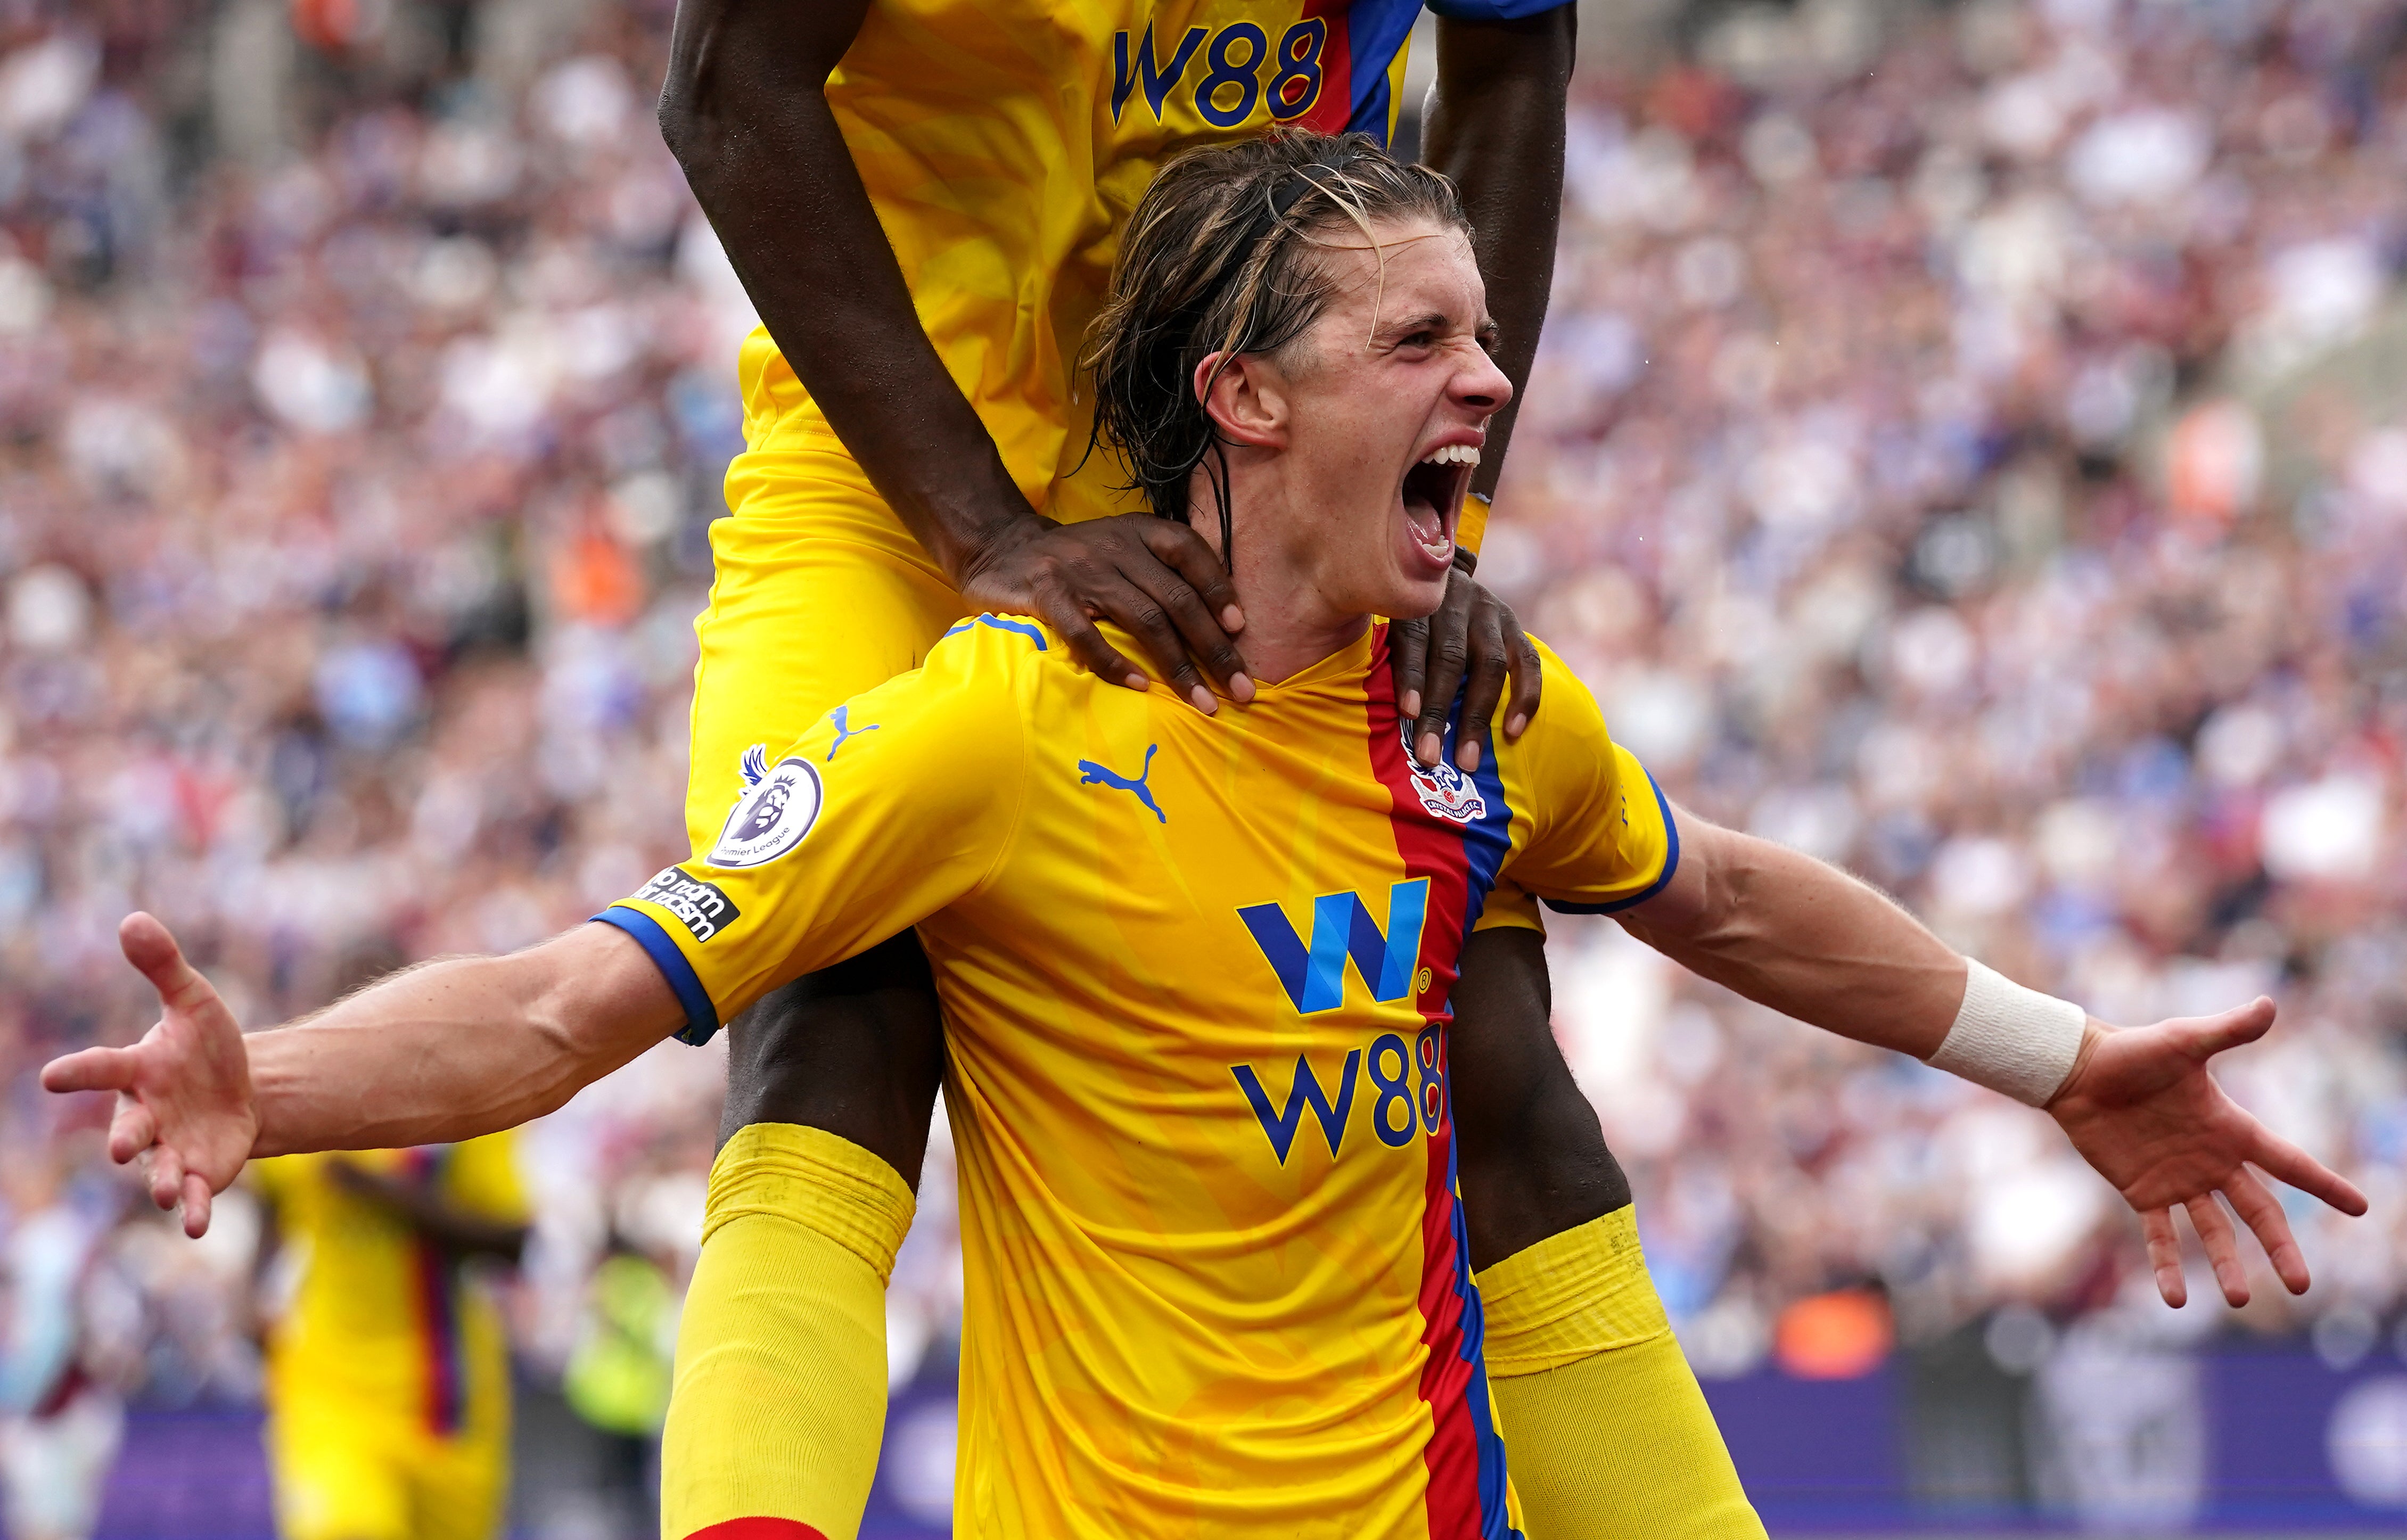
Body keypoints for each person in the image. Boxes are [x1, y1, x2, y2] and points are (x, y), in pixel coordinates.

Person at [50, 133, 2362, 1537]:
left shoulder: (1474, 713)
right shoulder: (995, 729)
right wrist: (275, 1092)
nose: (1488, 384)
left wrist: (2055, 1056)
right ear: (1240, 404)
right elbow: (573, 1000)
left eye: (1483, 335)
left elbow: (1723, 891)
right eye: (1417, 341)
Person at [645, 0, 1630, 1528]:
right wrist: (987, 534)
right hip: (884, 461)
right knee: (827, 1027)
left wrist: (1438, 523)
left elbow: (1515, 66)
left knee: (1492, 1040)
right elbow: (722, 89)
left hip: (1224, 469)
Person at [247, 1138, 531, 1540]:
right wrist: (253, 1292)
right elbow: (274, 1202)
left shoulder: (464, 1096)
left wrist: (386, 1193)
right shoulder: (297, 1093)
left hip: (445, 1403)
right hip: (329, 1391)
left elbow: (513, 1239)